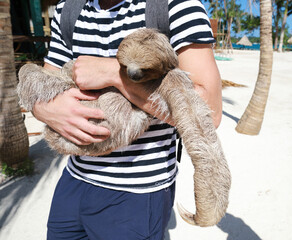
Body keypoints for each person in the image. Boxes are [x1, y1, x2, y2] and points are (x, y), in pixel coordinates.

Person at [33, 0, 222, 239]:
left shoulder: (177, 6)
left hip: (137, 193)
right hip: (75, 178)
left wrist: (114, 74)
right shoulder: (67, 10)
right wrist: (43, 110)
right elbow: (44, 83)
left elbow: (210, 111)